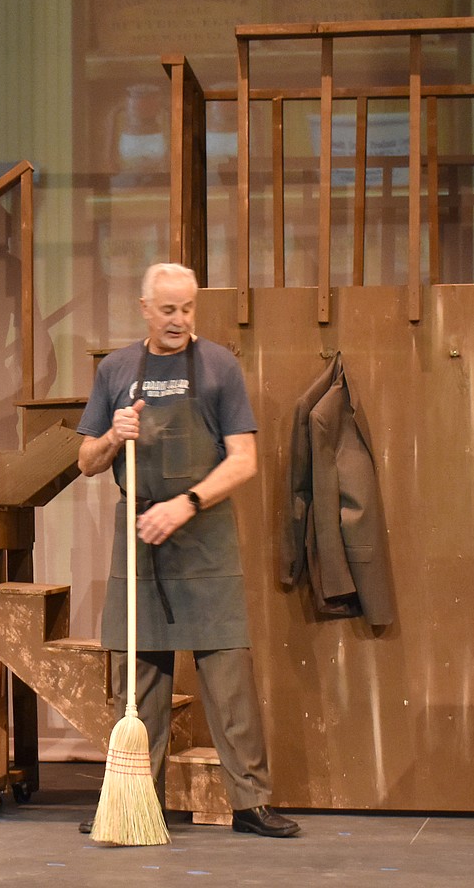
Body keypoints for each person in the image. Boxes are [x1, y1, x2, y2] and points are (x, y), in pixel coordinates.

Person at [76, 262, 299, 838]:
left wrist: (186, 504)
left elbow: (243, 459)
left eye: (188, 309)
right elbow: (86, 462)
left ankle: (250, 802)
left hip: (203, 536)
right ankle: (132, 801)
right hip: (141, 535)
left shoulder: (220, 366)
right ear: (145, 307)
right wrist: (112, 436)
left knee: (229, 676)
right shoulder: (116, 370)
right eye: (168, 310)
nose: (179, 321)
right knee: (139, 679)